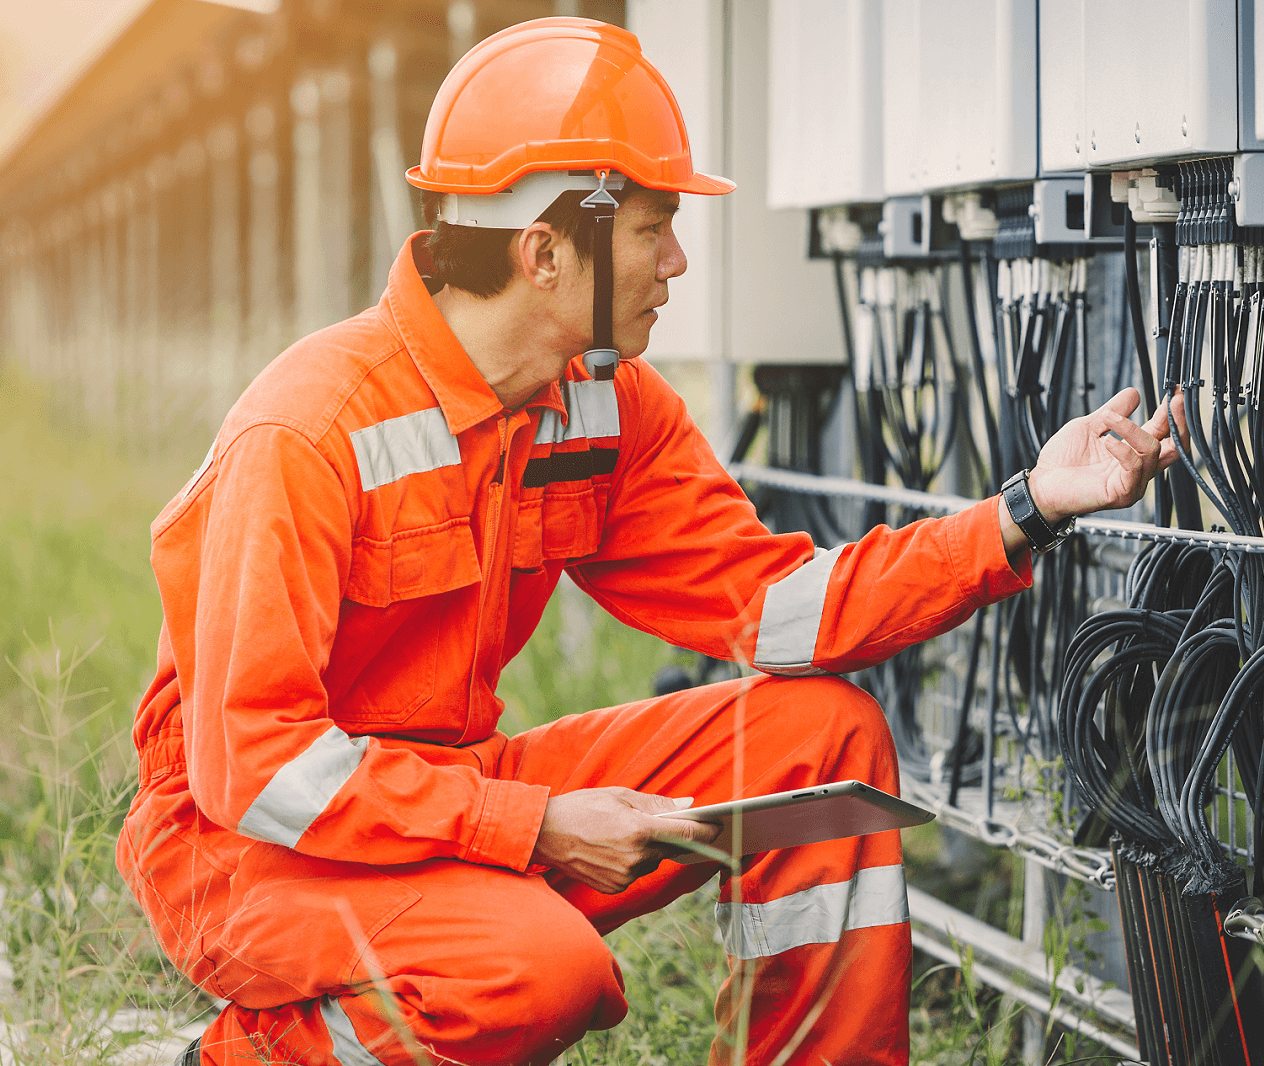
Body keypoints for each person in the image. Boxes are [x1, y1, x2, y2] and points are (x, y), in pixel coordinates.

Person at [118, 16, 1189, 1066]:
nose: (678, 261)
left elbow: (783, 608)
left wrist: (1029, 505)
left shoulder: (598, 402)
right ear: (545, 250)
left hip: (440, 792)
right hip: (246, 849)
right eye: (651, 227)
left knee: (818, 736)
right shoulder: (310, 427)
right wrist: (530, 824)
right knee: (539, 971)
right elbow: (259, 767)